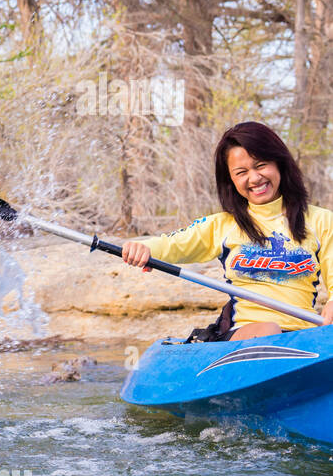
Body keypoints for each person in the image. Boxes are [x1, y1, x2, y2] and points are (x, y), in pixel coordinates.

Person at [121, 121, 333, 340]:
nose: (254, 178)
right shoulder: (222, 225)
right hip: (244, 336)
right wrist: (143, 247)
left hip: (306, 338)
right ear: (231, 180)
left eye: (260, 165)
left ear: (279, 163)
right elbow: (170, 244)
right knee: (269, 330)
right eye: (241, 172)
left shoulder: (322, 221)